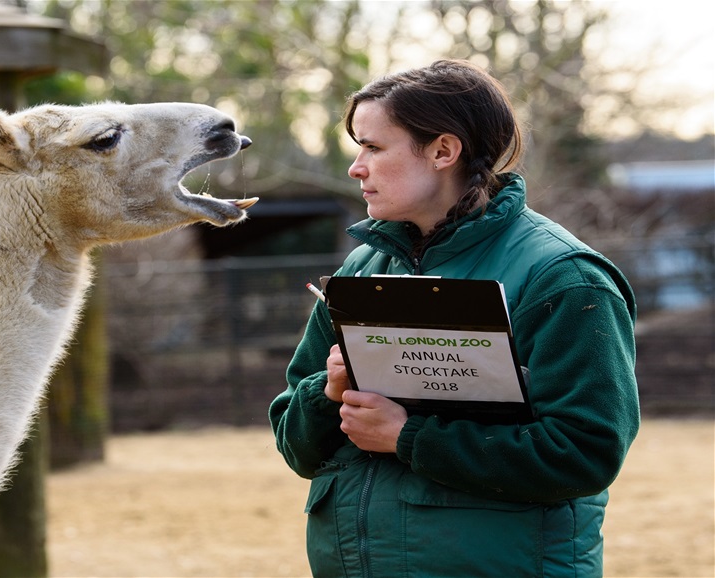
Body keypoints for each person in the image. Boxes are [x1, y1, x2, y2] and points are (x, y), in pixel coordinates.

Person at [269, 59, 639, 577]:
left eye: (373, 147)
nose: (356, 166)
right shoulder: (362, 268)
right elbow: (296, 445)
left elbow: (585, 452)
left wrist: (410, 437)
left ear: (444, 151)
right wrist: (326, 393)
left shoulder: (563, 278)